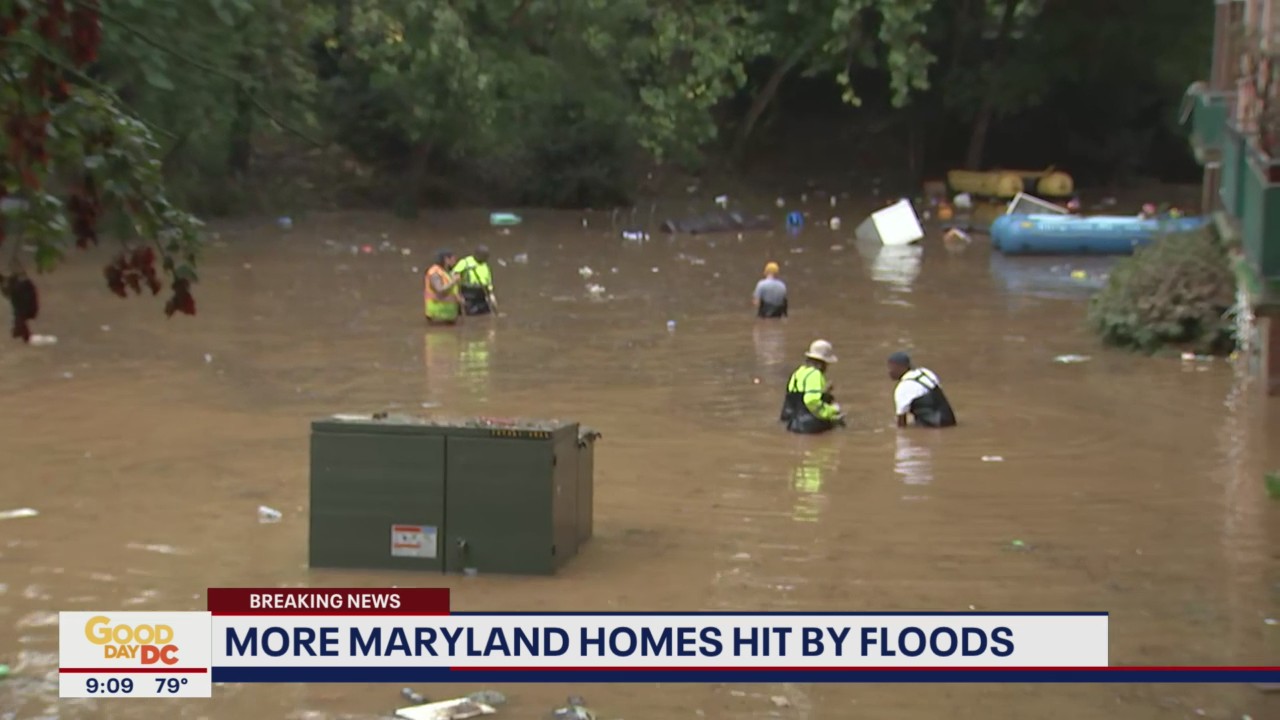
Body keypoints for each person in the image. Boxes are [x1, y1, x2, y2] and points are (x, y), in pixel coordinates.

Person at [780, 340, 845, 434]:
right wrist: (832, 410)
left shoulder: (798, 372)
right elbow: (811, 401)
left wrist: (823, 392)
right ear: (822, 363)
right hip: (810, 427)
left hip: (792, 425)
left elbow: (798, 397)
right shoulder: (815, 375)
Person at [888, 351, 956, 428]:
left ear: (902, 367)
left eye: (892, 368)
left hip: (933, 427)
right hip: (950, 420)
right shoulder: (925, 372)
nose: (889, 371)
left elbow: (901, 421)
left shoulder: (903, 387)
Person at [452, 245, 495, 316]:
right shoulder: (465, 262)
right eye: (483, 256)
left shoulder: (485, 265)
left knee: (485, 313)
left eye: (486, 257)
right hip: (468, 292)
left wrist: (491, 294)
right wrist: (457, 294)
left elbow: (488, 280)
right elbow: (454, 276)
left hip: (482, 292)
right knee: (469, 313)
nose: (485, 259)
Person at [424, 250, 462, 325]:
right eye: (453, 259)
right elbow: (439, 289)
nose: (455, 261)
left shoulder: (446, 271)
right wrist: (453, 281)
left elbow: (452, 290)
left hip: (448, 314)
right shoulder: (434, 272)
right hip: (437, 314)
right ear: (446, 259)